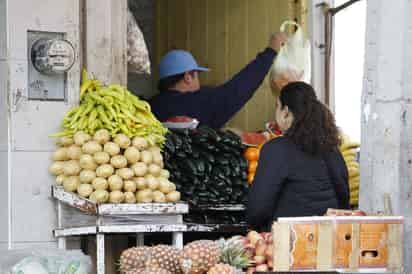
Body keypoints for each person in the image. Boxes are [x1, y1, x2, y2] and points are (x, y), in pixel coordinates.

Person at [246, 82, 350, 232]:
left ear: (286, 112)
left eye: (277, 106)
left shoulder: (276, 149)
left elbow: (257, 211)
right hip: (328, 239)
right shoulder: (332, 149)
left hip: (290, 242)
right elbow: (343, 200)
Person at [149, 33, 289, 129]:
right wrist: (270, 52)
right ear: (187, 77)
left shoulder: (150, 106)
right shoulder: (197, 102)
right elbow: (237, 89)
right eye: (197, 75)